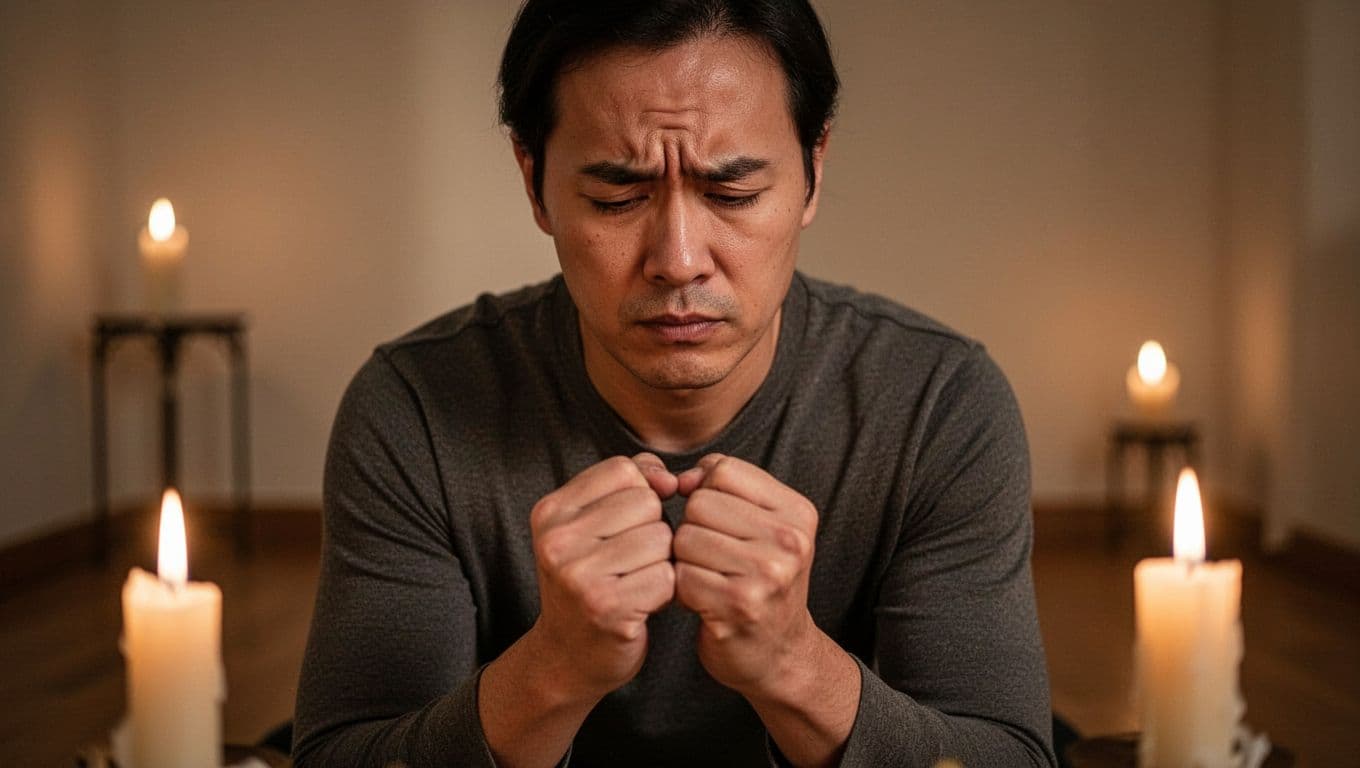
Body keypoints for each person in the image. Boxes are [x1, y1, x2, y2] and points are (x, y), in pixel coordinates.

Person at [294, 1, 1056, 766]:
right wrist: (553, 669)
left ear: (813, 171)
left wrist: (793, 664)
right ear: (534, 183)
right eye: (617, 198)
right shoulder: (416, 408)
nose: (679, 260)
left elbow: (1004, 755)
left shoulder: (936, 405)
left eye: (733, 194)